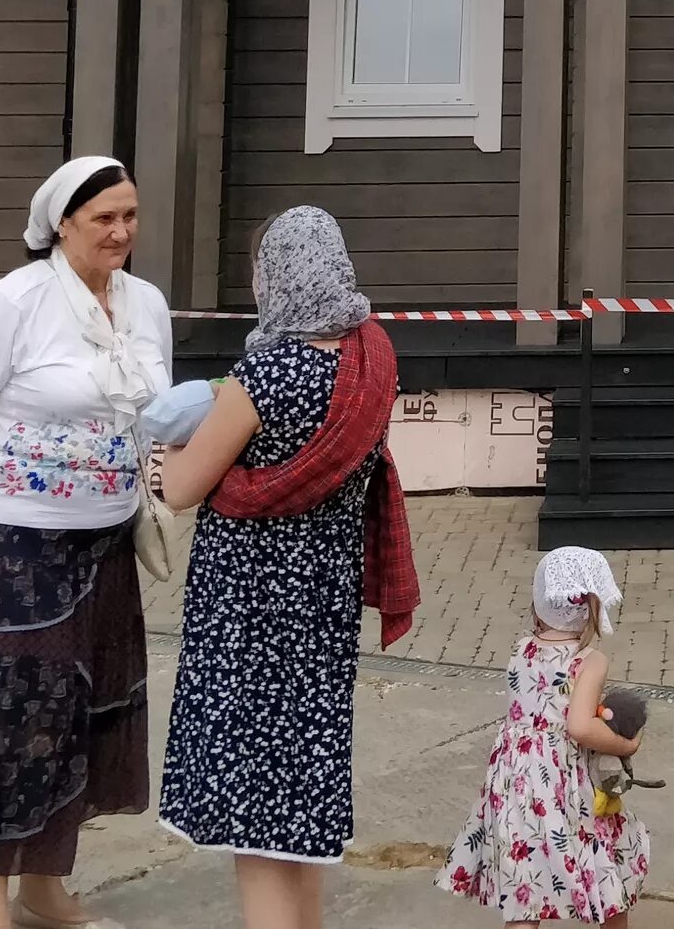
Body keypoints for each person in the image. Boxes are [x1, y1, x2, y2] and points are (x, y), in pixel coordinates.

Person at [0, 156, 169, 929]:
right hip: (8, 554)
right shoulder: (11, 304)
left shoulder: (145, 305)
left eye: (130, 216)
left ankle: (45, 888)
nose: (120, 232)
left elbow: (143, 415)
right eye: (103, 219)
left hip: (104, 547)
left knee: (80, 714)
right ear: (61, 224)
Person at [157, 206, 420, 929]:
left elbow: (180, 490)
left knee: (253, 823)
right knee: (297, 819)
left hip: (245, 622)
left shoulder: (262, 376)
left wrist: (173, 446)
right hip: (320, 616)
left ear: (276, 277)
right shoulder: (372, 363)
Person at [441, 547, 651, 927]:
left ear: (539, 603)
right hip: (564, 783)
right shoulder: (589, 660)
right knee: (602, 866)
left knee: (526, 882)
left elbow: (542, 705)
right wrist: (626, 745)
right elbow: (579, 728)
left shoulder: (522, 650)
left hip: (515, 781)